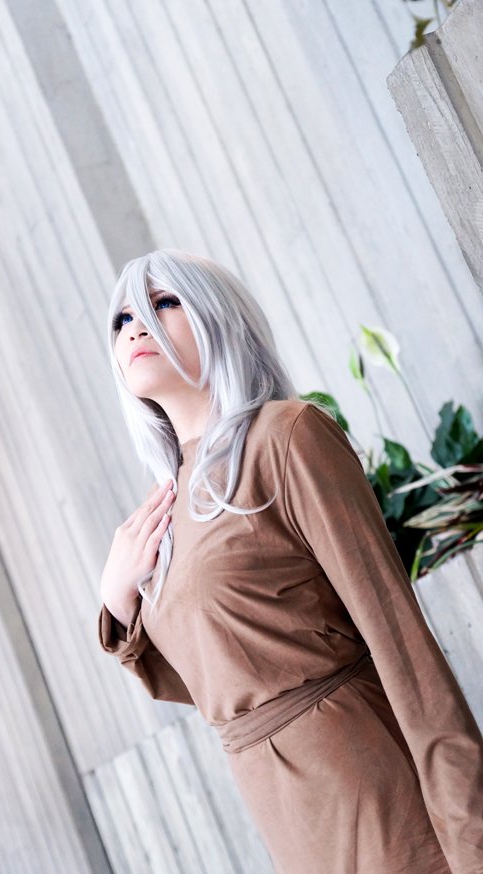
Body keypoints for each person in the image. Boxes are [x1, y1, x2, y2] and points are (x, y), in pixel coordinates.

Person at [97, 248, 483, 874]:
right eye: (121, 319)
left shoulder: (286, 436)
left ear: (216, 315)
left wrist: (471, 834)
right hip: (284, 814)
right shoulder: (166, 504)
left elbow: (401, 641)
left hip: (370, 787)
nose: (136, 327)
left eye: (162, 303)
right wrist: (118, 601)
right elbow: (214, 676)